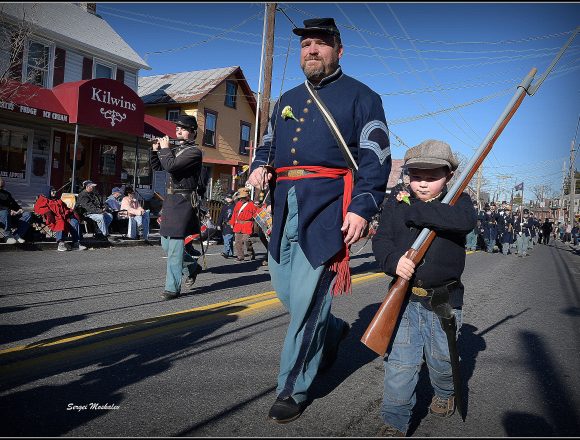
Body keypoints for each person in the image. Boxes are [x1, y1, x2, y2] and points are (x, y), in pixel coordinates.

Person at [247, 17, 391, 424]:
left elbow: (375, 158)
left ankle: (292, 388)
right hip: (283, 206)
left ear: (338, 51)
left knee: (308, 304)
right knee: (286, 292)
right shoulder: (287, 97)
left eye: (320, 44)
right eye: (306, 44)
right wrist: (259, 166)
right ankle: (331, 331)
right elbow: (269, 144)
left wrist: (361, 208)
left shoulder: (363, 97)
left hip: (329, 206)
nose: (311, 50)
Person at [372, 139, 476, 437]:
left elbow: (463, 222)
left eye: (432, 178)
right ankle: (394, 422)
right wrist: (394, 262)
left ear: (449, 176)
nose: (422, 184)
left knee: (442, 362)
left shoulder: (460, 203)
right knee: (400, 367)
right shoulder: (396, 200)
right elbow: (381, 241)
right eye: (416, 176)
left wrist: (415, 210)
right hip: (404, 300)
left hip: (443, 302)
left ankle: (444, 393)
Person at [150, 114, 203, 300]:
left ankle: (172, 288)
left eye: (183, 128)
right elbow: (159, 167)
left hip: (184, 201)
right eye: (177, 128)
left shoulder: (194, 152)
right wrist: (155, 150)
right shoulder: (176, 149)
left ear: (193, 133)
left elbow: (171, 166)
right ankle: (192, 266)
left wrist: (165, 149)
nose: (178, 130)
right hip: (171, 200)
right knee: (166, 243)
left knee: (174, 246)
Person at [33, 186, 86, 251]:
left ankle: (76, 243)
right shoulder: (42, 199)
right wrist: (48, 213)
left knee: (74, 222)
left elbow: (65, 208)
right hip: (53, 218)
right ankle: (60, 243)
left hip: (64, 217)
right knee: (60, 221)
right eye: (52, 191)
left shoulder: (58, 199)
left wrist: (71, 212)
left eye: (55, 190)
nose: (55, 192)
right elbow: (39, 209)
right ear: (47, 192)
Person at [0, 176, 34, 244]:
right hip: (2, 216)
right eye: (0, 186)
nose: (2, 187)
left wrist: (20, 209)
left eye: (2, 186)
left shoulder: (7, 194)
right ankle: (7, 236)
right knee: (5, 212)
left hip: (11, 216)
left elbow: (14, 205)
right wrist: (9, 211)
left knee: (28, 214)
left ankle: (17, 235)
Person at [229, 187, 259, 262]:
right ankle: (240, 256)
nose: (241, 199)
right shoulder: (238, 204)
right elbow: (234, 214)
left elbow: (257, 214)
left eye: (243, 197)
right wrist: (232, 223)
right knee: (238, 242)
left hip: (247, 225)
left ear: (247, 197)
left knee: (246, 240)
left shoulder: (252, 205)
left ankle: (251, 253)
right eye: (240, 197)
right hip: (238, 225)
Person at [216, 191, 236, 258]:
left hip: (231, 225)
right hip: (224, 225)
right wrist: (218, 224)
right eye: (227, 197)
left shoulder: (235, 206)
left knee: (227, 239)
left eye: (229, 197)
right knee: (226, 239)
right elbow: (221, 216)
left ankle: (226, 252)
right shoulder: (225, 206)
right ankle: (230, 253)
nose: (227, 199)